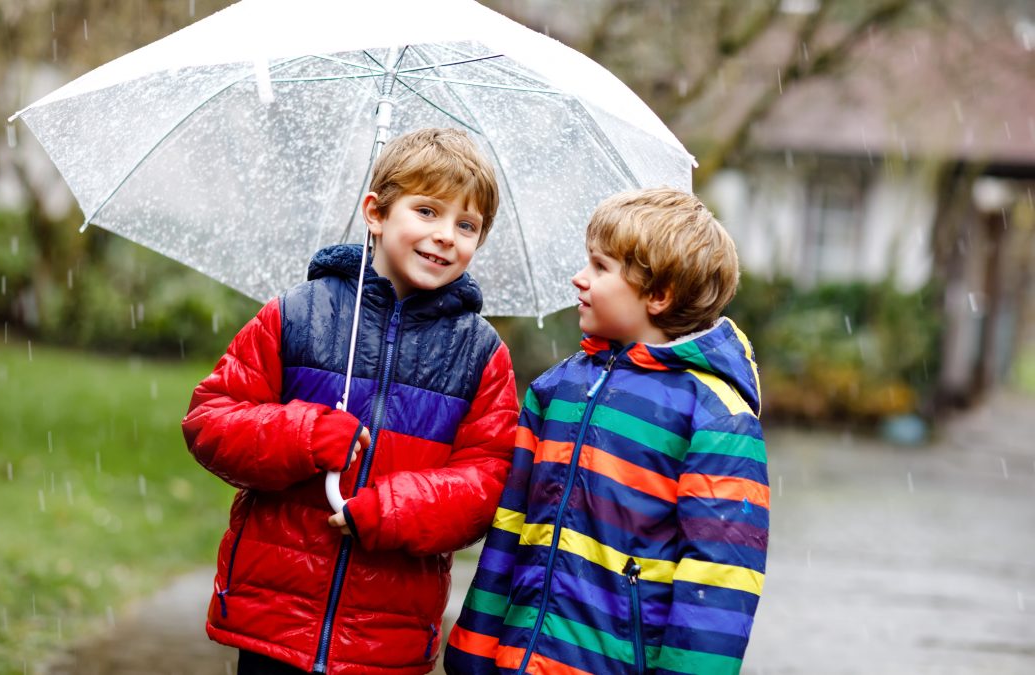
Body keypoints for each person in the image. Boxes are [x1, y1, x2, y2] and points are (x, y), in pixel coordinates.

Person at [182, 127, 520, 675]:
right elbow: (211, 421)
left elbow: (486, 479)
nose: (445, 236)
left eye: (467, 225)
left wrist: (393, 509)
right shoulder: (298, 314)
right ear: (376, 212)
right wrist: (303, 434)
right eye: (428, 211)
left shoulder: (480, 353)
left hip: (385, 632)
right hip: (277, 616)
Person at [445, 187, 769, 675]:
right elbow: (511, 527)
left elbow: (720, 581)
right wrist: (472, 652)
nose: (579, 278)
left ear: (658, 296)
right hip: (518, 661)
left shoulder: (716, 417)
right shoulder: (557, 389)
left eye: (599, 267)